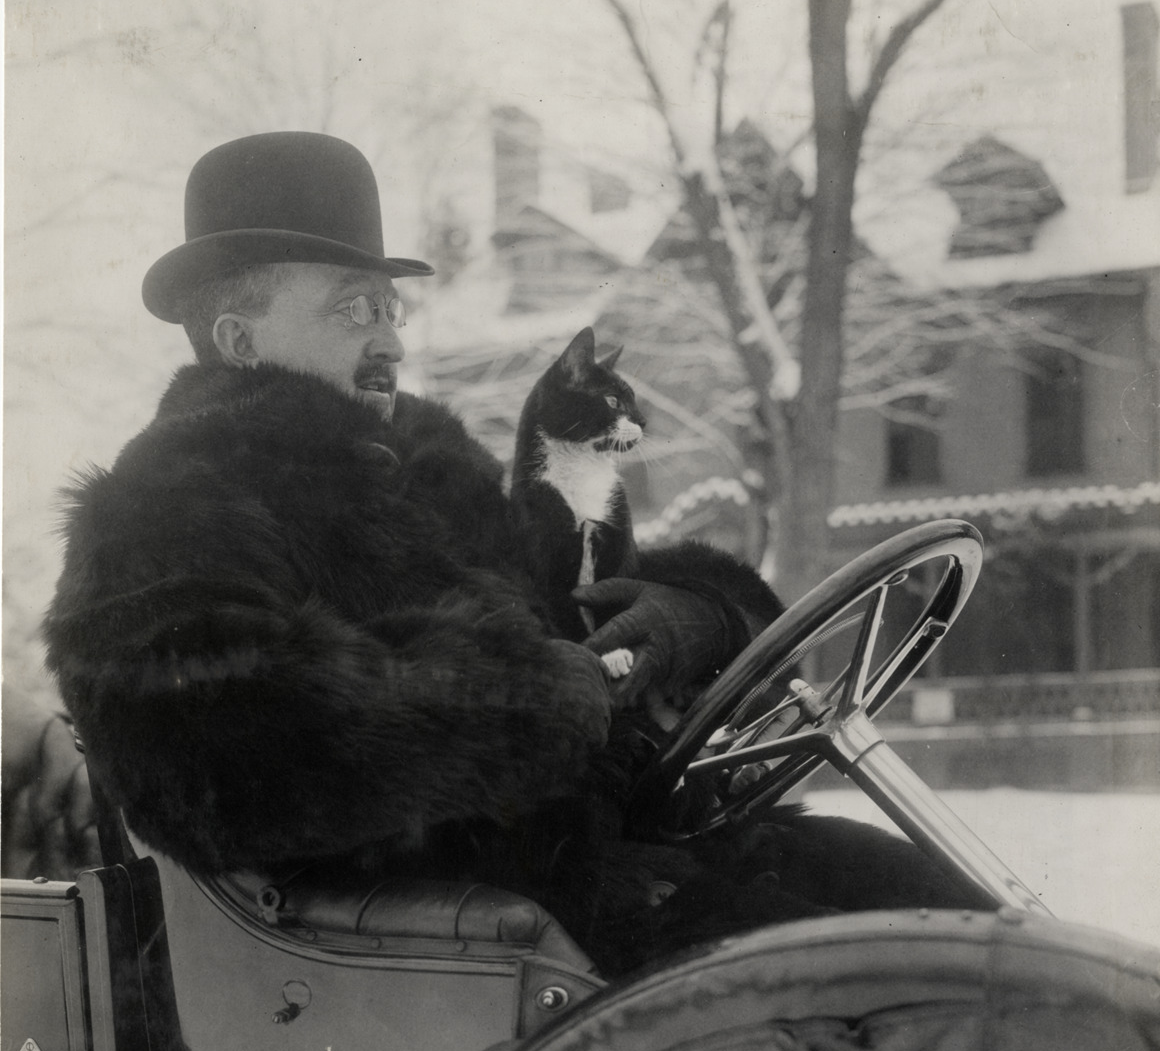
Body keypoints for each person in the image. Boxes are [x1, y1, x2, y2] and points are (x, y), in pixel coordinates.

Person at [44, 132, 976, 978]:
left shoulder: (422, 460)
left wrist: (692, 616)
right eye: (353, 309)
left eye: (390, 306)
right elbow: (209, 752)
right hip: (463, 949)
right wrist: (516, 701)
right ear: (240, 339)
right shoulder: (161, 504)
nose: (391, 336)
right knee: (928, 1000)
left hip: (615, 868)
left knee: (955, 921)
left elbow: (563, 614)